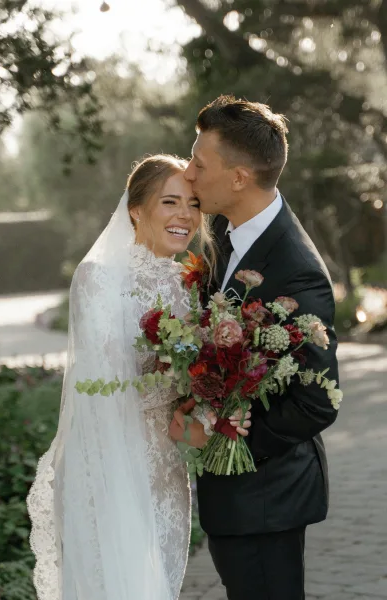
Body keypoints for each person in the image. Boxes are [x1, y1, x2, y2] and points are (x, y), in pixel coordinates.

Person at [27, 154, 252, 600]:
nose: (184, 216)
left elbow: (197, 372)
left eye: (192, 204)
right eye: (169, 202)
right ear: (136, 210)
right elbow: (105, 381)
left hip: (166, 464)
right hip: (108, 458)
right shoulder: (97, 278)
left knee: (159, 581)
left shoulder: (190, 281)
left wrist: (212, 405)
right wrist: (169, 369)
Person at [171, 96, 339, 600]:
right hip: (235, 501)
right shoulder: (221, 231)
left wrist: (225, 439)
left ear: (239, 178)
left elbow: (317, 401)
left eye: (200, 162)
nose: (189, 172)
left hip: (267, 498)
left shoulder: (298, 271)